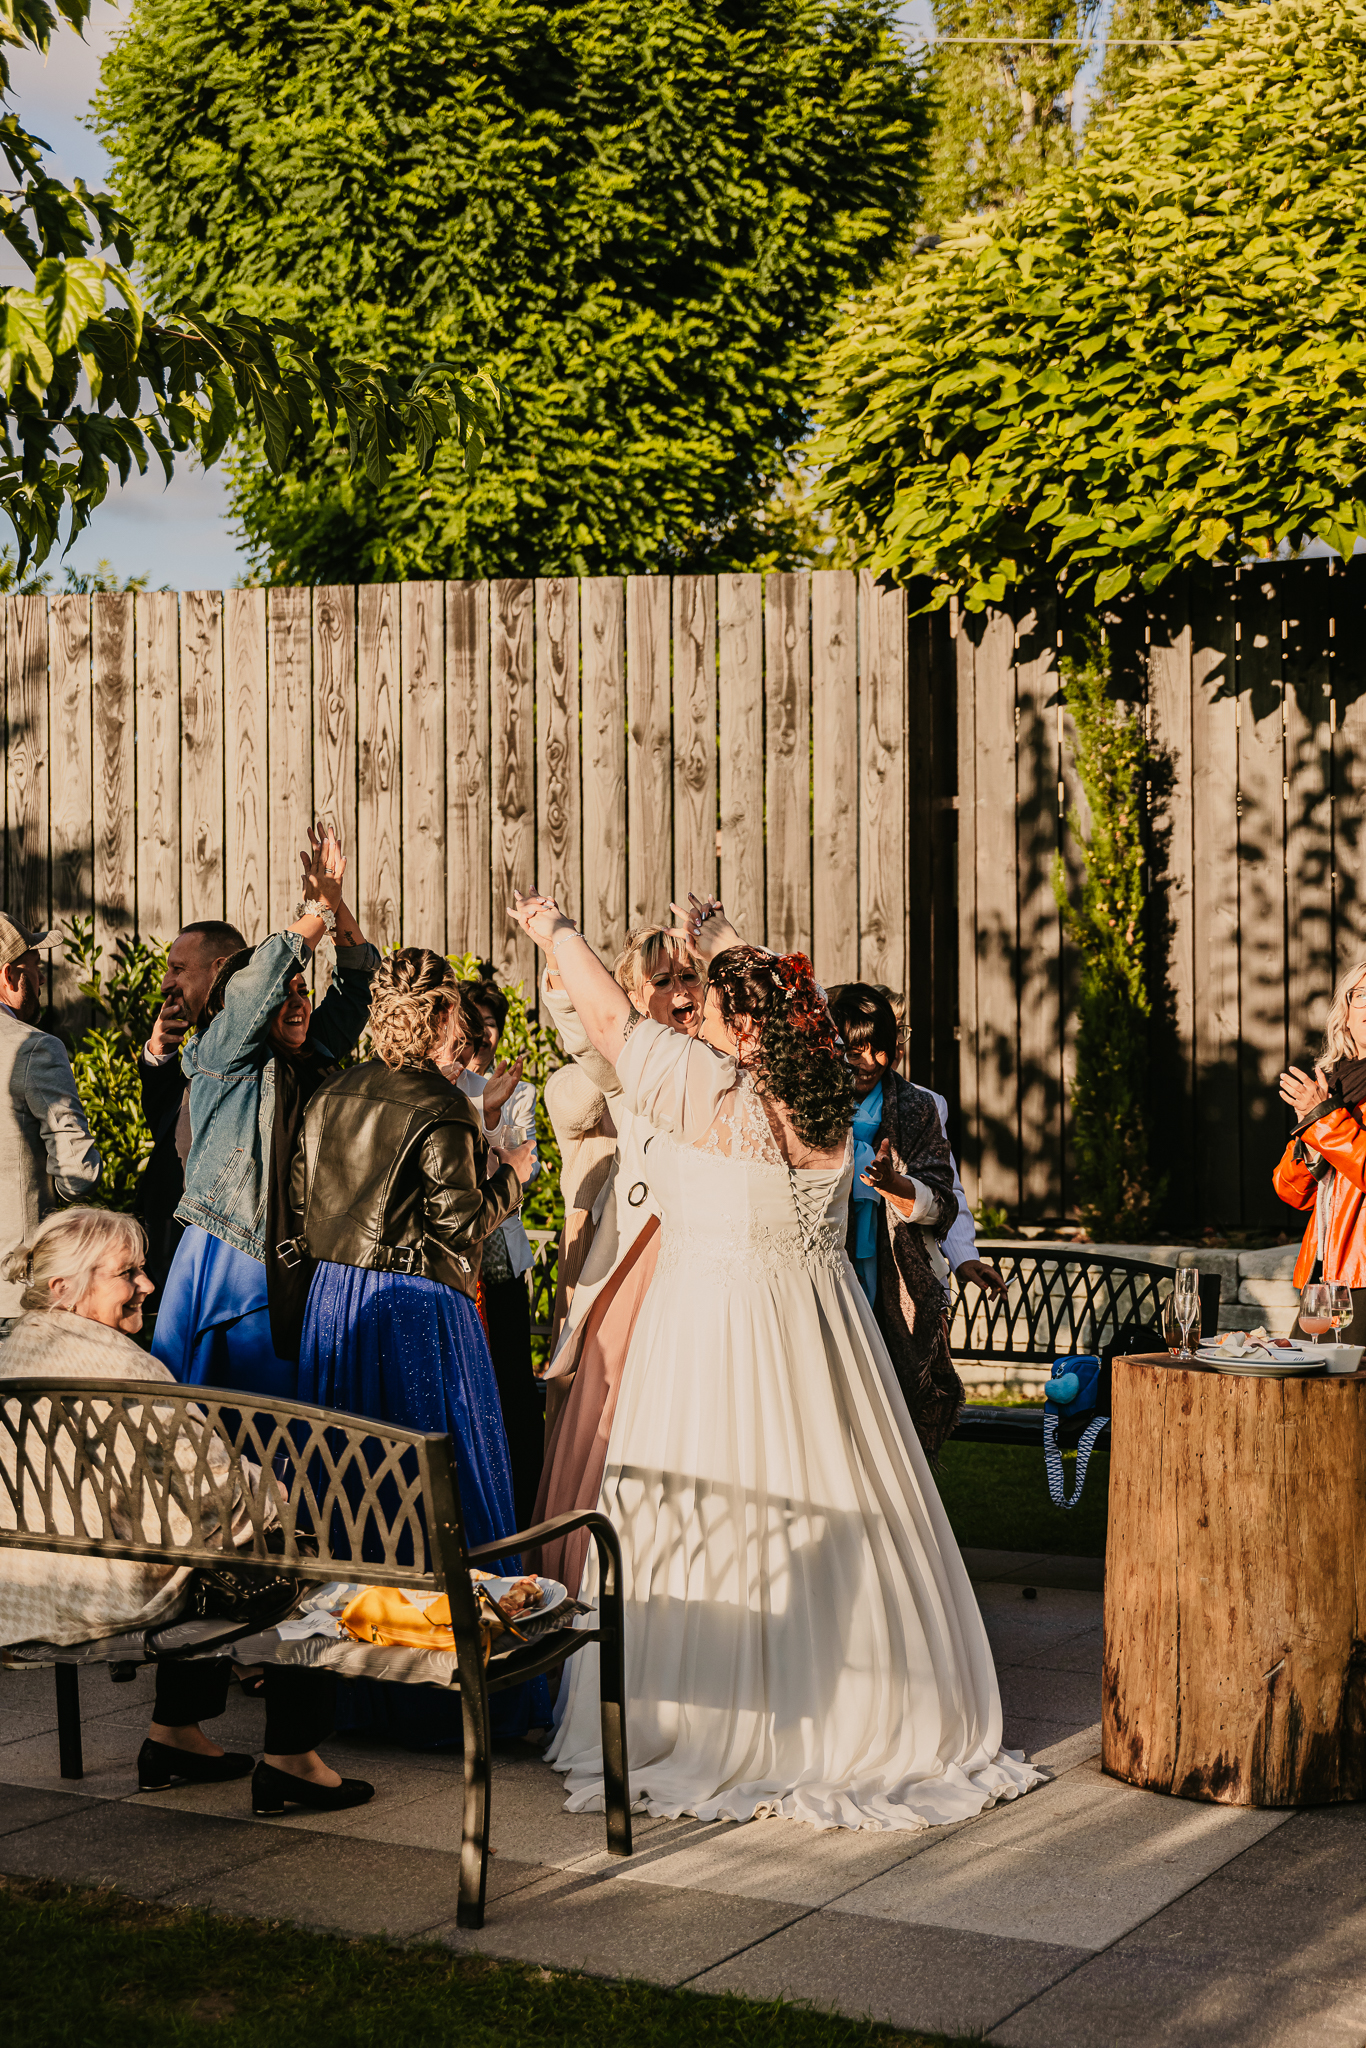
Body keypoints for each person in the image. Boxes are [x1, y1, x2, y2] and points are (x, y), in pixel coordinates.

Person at [511, 890, 1040, 1834]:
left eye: (714, 1007)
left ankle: (716, 1719)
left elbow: (609, 1018)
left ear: (743, 1025)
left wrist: (555, 931)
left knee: (719, 1513)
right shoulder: (826, 1090)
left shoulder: (706, 1087)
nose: (698, 1019)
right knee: (836, 1499)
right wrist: (726, 944)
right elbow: (789, 1006)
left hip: (710, 1338)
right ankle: (850, 1701)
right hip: (823, 1334)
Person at [0, 1207, 370, 1815]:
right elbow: (215, 1489)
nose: (147, 1285)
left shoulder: (14, 1348)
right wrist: (274, 1494)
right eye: (128, 1273)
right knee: (296, 1553)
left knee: (197, 1543)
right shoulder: (121, 1367)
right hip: (107, 1586)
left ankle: (174, 1737)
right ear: (65, 1287)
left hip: (29, 1579)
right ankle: (294, 1762)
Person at [290, 946, 543, 1746]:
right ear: (441, 1014)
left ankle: (355, 1688)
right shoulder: (441, 1107)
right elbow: (461, 1227)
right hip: (416, 1310)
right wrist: (512, 1173)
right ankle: (454, 1694)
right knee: (445, 1485)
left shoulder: (331, 1092)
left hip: (336, 1302)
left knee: (351, 1492)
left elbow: (299, 1202)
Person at [152, 824, 378, 1400]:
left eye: (303, 991)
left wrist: (335, 905)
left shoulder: (309, 1052)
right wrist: (314, 912)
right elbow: (259, 986)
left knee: (281, 1420)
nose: (297, 1002)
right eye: (286, 992)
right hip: (237, 1250)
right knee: (229, 1414)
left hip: (295, 1252)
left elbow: (357, 985)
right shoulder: (224, 1054)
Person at [530, 921, 709, 1597]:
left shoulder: (727, 1058)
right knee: (620, 1423)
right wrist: (564, 983)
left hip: (719, 1266)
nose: (681, 991)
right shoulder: (634, 1066)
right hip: (643, 1265)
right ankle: (607, 1582)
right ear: (631, 997)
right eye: (663, 980)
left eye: (690, 977)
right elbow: (590, 1048)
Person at [827, 982, 989, 1457]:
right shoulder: (808, 1101)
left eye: (885, 1047)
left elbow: (945, 1193)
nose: (872, 1061)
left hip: (891, 1266)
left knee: (890, 1389)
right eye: (855, 1049)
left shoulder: (920, 1105)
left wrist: (896, 1186)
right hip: (826, 1257)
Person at [459, 974, 544, 1529]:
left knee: (512, 1374)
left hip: (500, 1251)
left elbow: (521, 1166)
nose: (484, 1035)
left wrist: (492, 1142)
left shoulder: (521, 1092)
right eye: (476, 1024)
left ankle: (522, 1494)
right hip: (460, 1253)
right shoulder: (448, 1085)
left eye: (492, 1025)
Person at [138, 919, 247, 1295]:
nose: (166, 983)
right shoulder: (194, 1046)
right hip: (172, 1254)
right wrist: (160, 1057)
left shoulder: (251, 1051)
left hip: (226, 1261)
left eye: (178, 969)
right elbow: (166, 1129)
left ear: (220, 969)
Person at [0, 914, 100, 1313]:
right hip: (14, 1289)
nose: (41, 980)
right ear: (9, 976)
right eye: (35, 968)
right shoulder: (34, 1048)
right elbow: (79, 1173)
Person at [1276, 959, 1366, 1340]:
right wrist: (1311, 1137)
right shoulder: (1334, 1087)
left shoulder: (1327, 1107)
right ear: (1345, 1013)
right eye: (1362, 994)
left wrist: (1324, 1120)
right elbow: (1289, 1190)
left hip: (1361, 1275)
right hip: (1323, 1273)